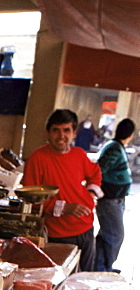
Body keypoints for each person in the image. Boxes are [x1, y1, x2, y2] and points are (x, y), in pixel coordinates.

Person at [22, 108, 103, 272]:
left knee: (83, 281)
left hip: (86, 228)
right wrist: (64, 208)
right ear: (47, 133)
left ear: (74, 133)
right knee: (60, 281)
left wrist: (91, 193)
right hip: (58, 233)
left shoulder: (79, 154)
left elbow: (95, 173)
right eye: (56, 130)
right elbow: (31, 200)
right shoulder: (37, 158)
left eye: (66, 130)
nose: (61, 136)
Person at [94, 117, 135, 271]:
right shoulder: (113, 148)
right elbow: (99, 170)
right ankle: (102, 268)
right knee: (115, 235)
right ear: (130, 134)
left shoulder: (116, 146)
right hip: (109, 200)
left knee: (107, 235)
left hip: (115, 199)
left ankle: (102, 266)